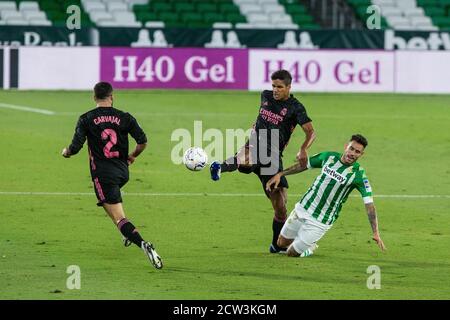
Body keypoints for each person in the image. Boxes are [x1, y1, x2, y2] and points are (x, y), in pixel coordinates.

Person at [210, 70, 316, 253]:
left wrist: (303, 148)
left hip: (275, 157)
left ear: (289, 87)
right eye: (273, 86)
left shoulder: (295, 107)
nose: (275, 90)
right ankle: (220, 167)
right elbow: (259, 117)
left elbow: (311, 132)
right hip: (258, 144)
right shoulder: (265, 96)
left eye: (279, 87)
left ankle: (277, 245)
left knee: (281, 205)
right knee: (248, 155)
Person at [61, 82, 163, 269]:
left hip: (103, 174)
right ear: (112, 96)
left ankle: (142, 243)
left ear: (94, 98)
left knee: (118, 217)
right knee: (108, 200)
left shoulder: (86, 118)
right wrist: (132, 156)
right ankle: (125, 233)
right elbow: (143, 141)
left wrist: (66, 152)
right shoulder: (125, 117)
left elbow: (75, 147)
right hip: (123, 172)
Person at [265, 134, 386, 257]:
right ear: (346, 147)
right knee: (281, 243)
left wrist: (375, 232)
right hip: (303, 207)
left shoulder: (359, 175)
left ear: (361, 154)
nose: (353, 153)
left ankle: (309, 247)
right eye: (351, 149)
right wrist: (281, 174)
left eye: (357, 152)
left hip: (321, 220)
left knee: (291, 253)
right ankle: (304, 241)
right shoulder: (329, 157)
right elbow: (303, 165)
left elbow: (369, 204)